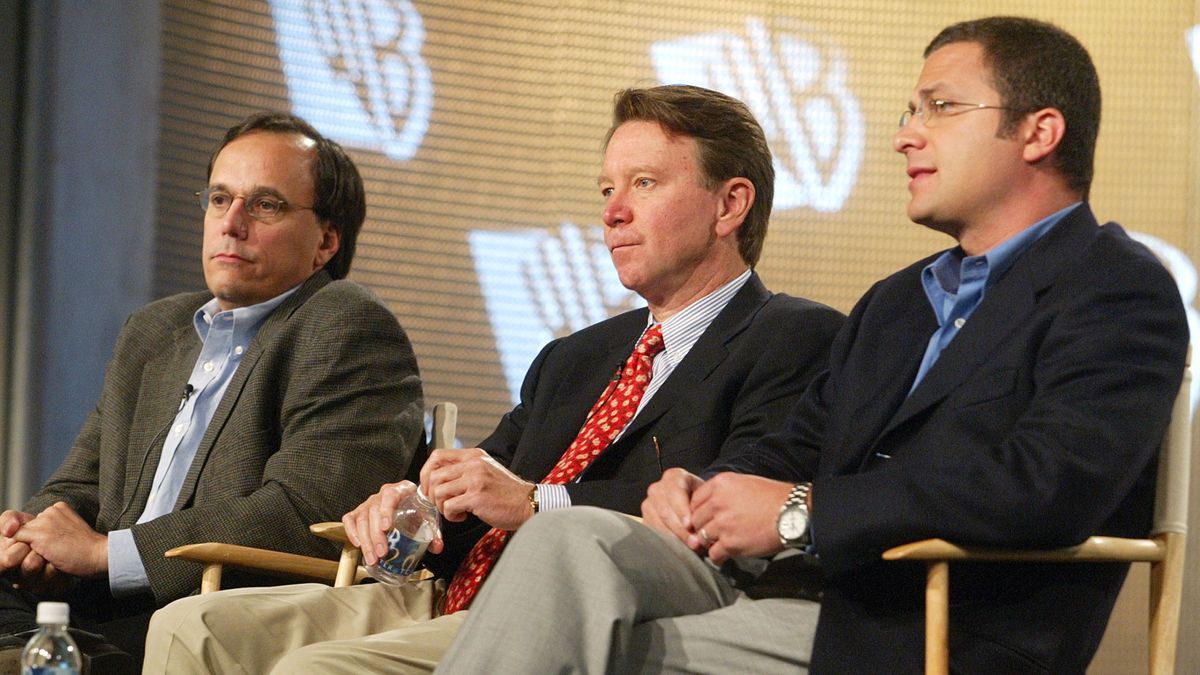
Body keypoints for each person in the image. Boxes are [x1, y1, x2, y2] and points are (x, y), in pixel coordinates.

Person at [434, 16, 1190, 675]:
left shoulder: (1116, 289)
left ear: (1039, 131)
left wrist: (802, 512)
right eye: (908, 110)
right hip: (789, 593)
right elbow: (795, 443)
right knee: (573, 540)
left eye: (940, 107)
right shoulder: (900, 301)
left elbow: (1042, 484)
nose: (904, 134)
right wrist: (703, 486)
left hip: (931, 628)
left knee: (579, 645)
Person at [142, 84, 845, 674]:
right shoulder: (575, 356)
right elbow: (479, 483)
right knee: (190, 629)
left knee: (310, 670)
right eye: (606, 188)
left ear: (730, 205)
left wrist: (540, 502)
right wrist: (411, 503)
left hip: (569, 603)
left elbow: (720, 504)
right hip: (437, 588)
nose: (611, 212)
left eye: (644, 184)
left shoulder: (793, 338)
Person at [0, 112, 424, 669]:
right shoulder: (155, 330)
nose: (232, 223)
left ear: (325, 241)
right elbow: (80, 482)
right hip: (84, 605)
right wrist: (28, 537)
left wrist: (107, 554)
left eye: (266, 204)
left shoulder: (345, 323)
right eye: (220, 199)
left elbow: (304, 512)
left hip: (204, 618)